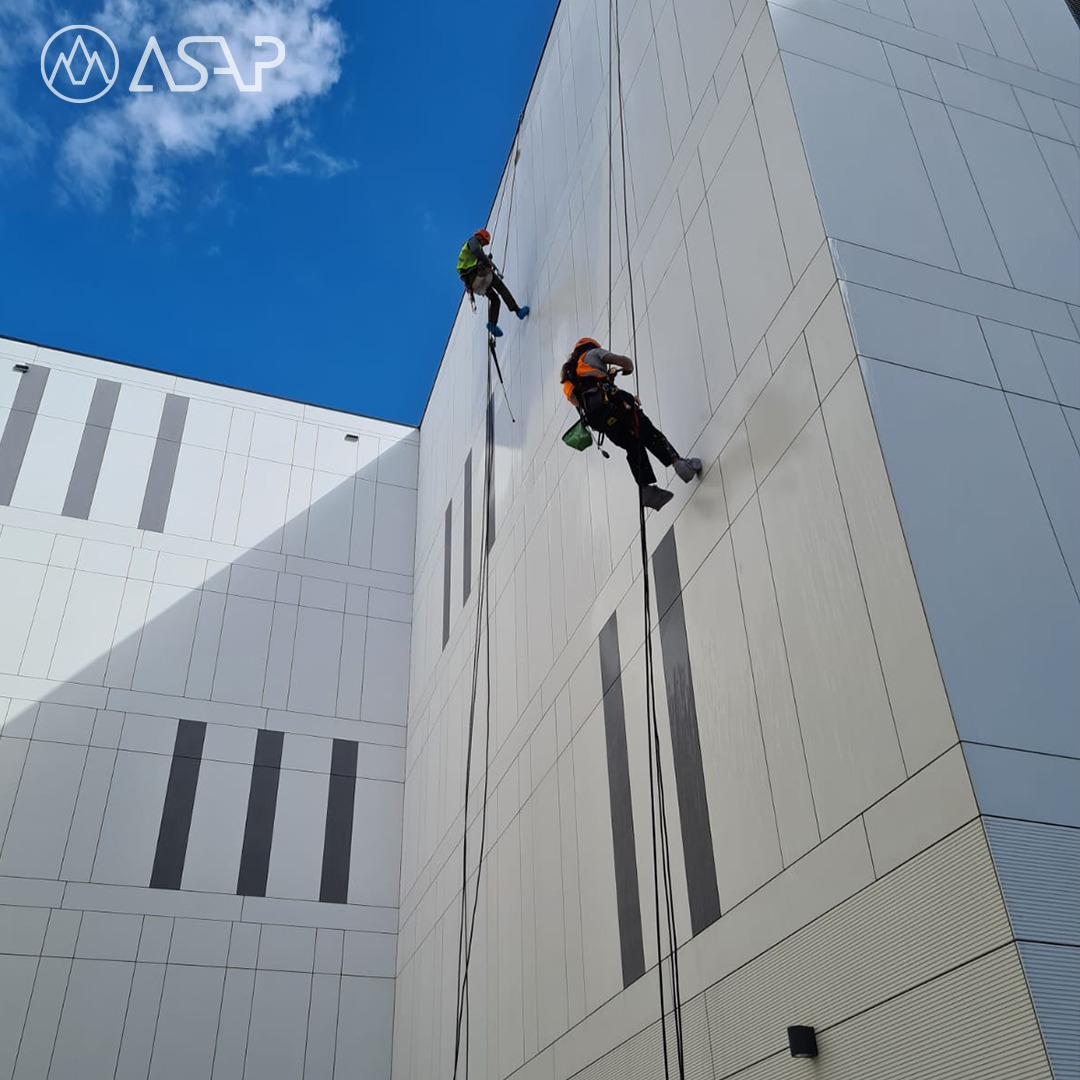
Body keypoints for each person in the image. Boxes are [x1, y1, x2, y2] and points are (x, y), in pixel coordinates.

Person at [560, 337, 701, 510]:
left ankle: (647, 491)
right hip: (618, 406)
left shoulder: (567, 382)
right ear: (590, 346)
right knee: (648, 432)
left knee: (632, 446)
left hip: (602, 424)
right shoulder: (591, 354)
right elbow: (625, 362)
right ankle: (681, 466)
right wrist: (627, 369)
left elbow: (581, 402)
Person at [457, 228, 529, 338]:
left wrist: (485, 259)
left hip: (474, 284)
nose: (483, 245)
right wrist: (487, 261)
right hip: (478, 274)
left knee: (495, 299)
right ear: (480, 236)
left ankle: (492, 324)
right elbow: (476, 250)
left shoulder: (468, 252)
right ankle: (517, 311)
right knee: (500, 287)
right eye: (484, 242)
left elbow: (476, 255)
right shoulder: (473, 240)